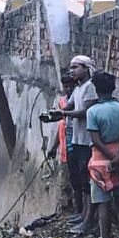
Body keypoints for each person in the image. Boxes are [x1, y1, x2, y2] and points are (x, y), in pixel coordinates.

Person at [85, 72, 119, 238]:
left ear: (96, 90)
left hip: (99, 162)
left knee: (103, 205)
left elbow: (96, 141)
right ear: (113, 88)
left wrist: (110, 158)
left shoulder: (93, 112)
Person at [54, 55, 99, 233]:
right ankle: (82, 214)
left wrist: (66, 114)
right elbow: (69, 106)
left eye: (75, 67)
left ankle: (89, 219)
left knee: (88, 181)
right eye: (71, 68)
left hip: (88, 140)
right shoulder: (78, 89)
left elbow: (86, 111)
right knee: (80, 178)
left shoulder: (90, 88)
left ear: (86, 68)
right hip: (77, 139)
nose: (72, 71)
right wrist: (57, 112)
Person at [46, 73, 77, 214]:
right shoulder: (63, 102)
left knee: (74, 184)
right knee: (64, 185)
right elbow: (61, 127)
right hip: (64, 152)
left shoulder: (79, 104)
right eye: (65, 87)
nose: (68, 89)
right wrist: (53, 147)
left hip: (75, 151)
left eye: (70, 86)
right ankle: (64, 212)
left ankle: (73, 212)